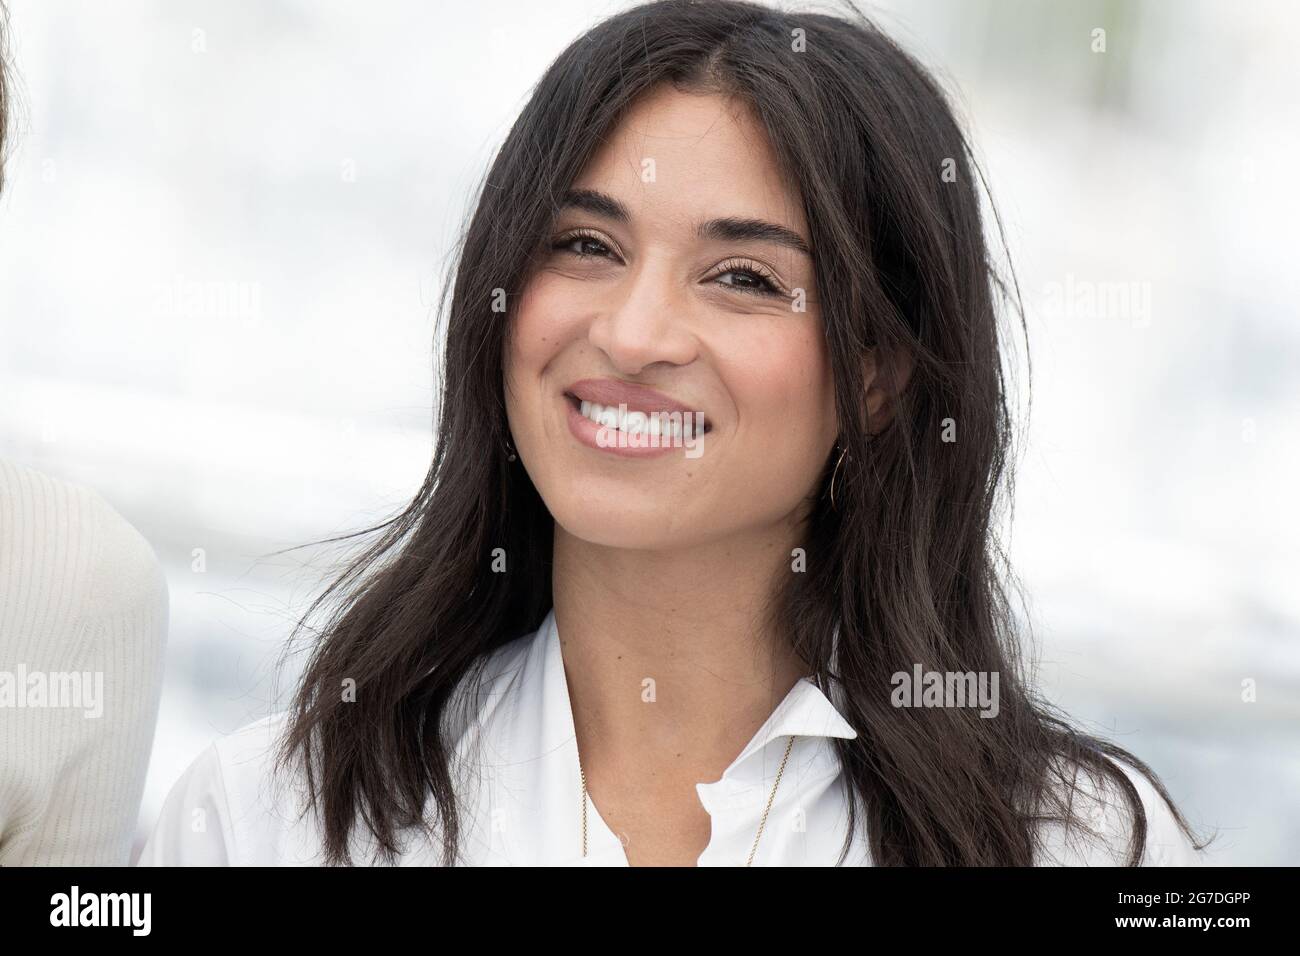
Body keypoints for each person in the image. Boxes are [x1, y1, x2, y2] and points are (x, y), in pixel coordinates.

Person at [140, 0, 1206, 866]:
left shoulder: (1083, 847)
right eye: (585, 245)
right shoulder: (267, 817)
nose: (633, 331)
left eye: (742, 276)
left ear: (879, 375)